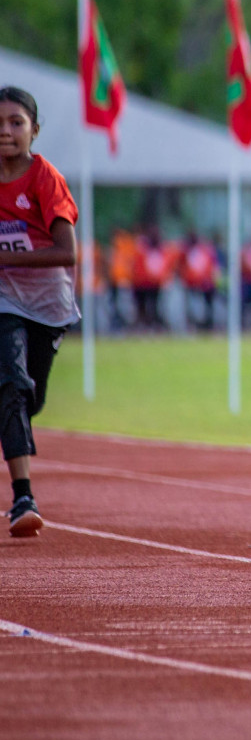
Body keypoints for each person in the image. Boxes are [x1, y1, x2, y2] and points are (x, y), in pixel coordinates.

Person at [0, 87, 80, 536]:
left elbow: (66, 252)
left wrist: (5, 257)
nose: (6, 132)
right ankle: (23, 497)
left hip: (48, 303)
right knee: (10, 383)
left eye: (15, 123)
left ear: (33, 129)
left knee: (30, 397)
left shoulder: (45, 178)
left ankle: (14, 414)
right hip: (3, 299)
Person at [178, 231, 220, 331]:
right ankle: (193, 323)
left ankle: (208, 323)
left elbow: (212, 266)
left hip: (205, 283)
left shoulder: (205, 251)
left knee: (207, 303)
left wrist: (210, 279)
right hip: (191, 284)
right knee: (192, 304)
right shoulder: (186, 252)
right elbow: (182, 267)